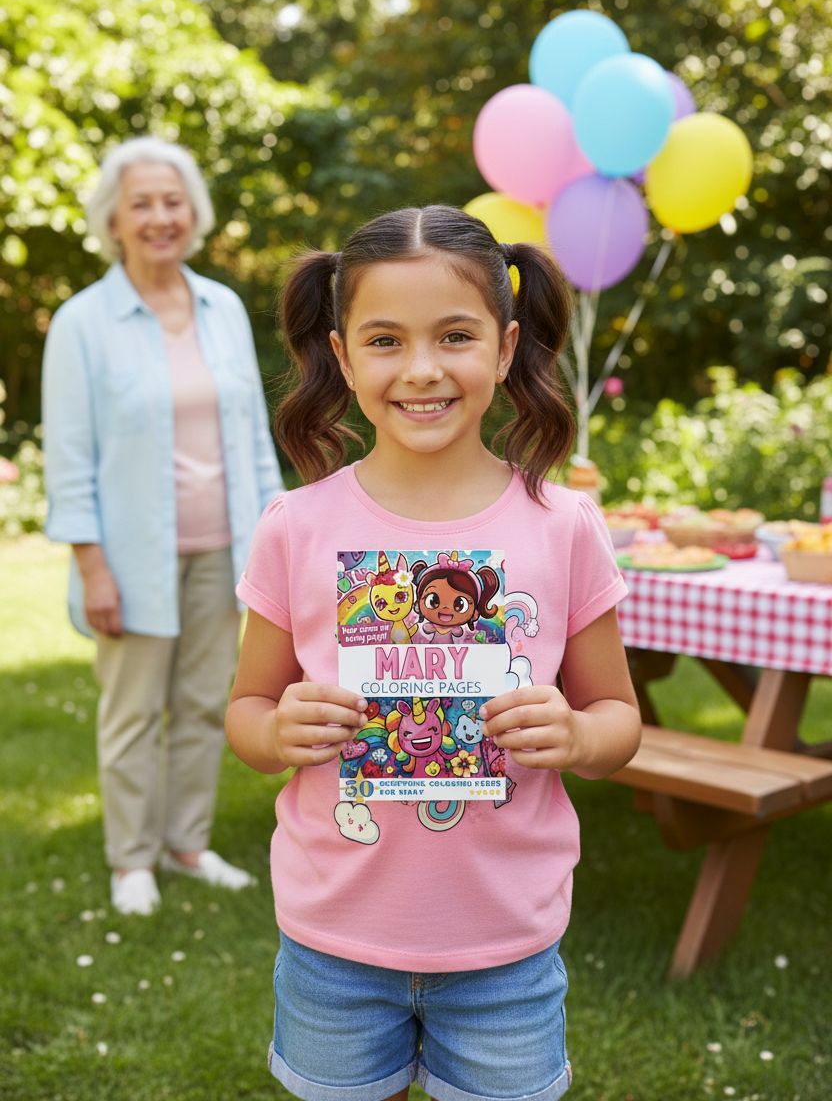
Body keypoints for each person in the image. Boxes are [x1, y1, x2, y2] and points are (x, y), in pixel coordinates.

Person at [225, 205, 641, 1101]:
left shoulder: (563, 528)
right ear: (341, 356)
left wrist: (575, 733)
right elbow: (247, 713)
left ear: (504, 347)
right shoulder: (296, 528)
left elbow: (619, 720)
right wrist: (279, 729)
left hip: (507, 950)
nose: (421, 369)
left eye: (455, 335)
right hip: (334, 942)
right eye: (385, 340)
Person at [43, 137, 284, 916]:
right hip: (131, 553)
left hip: (224, 543)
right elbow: (70, 456)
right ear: (113, 219)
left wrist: (272, 536)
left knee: (209, 700)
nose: (159, 217)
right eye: (141, 203)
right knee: (134, 709)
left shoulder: (220, 308)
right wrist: (92, 566)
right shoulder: (83, 323)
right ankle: (131, 859)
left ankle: (187, 843)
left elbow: (251, 436)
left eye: (172, 201)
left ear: (194, 213)